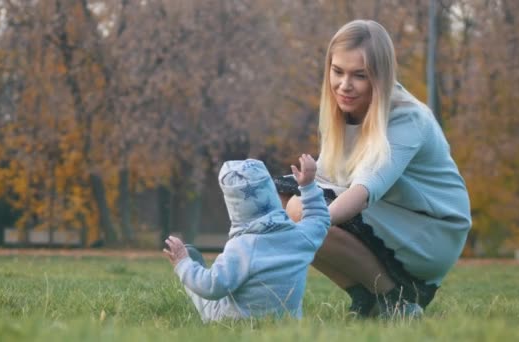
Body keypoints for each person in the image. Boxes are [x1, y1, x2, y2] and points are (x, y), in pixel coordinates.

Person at [275, 20, 471, 319]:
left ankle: (397, 301)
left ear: (380, 76)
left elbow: (364, 190)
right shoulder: (344, 110)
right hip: (387, 212)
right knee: (282, 202)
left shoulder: (406, 117)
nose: (344, 85)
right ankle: (367, 298)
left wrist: (310, 224)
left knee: (303, 214)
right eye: (338, 71)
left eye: (360, 75)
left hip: (431, 227)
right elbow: (328, 177)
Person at [163, 155, 330, 322]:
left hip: (233, 321)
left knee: (208, 302)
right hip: (286, 322)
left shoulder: (242, 247)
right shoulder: (300, 236)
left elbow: (212, 287)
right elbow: (319, 219)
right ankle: (194, 269)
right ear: (271, 192)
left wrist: (182, 263)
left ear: (234, 207)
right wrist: (308, 186)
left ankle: (192, 268)